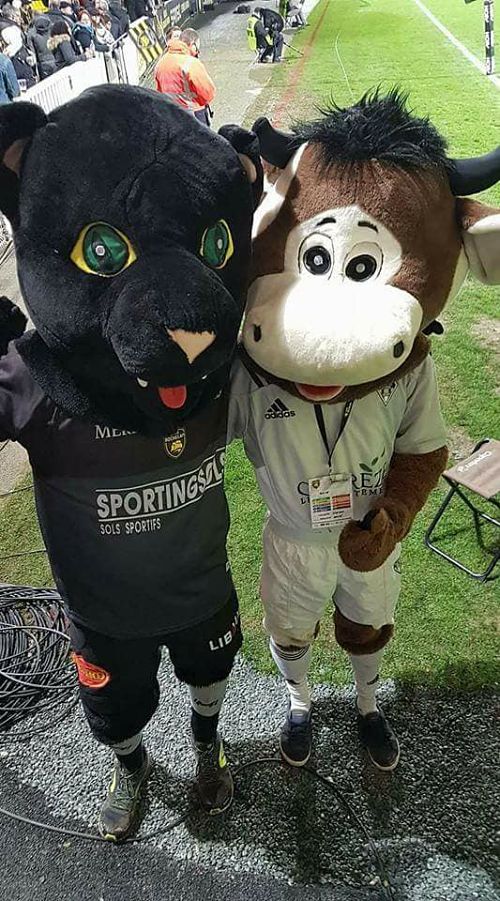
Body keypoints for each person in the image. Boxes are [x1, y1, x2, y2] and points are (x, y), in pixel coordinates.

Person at [154, 28, 215, 127]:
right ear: (192, 44)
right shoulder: (191, 63)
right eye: (197, 48)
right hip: (194, 115)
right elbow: (208, 93)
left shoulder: (160, 63)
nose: (197, 52)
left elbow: (159, 92)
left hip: (172, 115)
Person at [27, 13, 56, 77]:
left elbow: (32, 53)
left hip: (43, 65)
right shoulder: (53, 27)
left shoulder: (31, 33)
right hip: (57, 61)